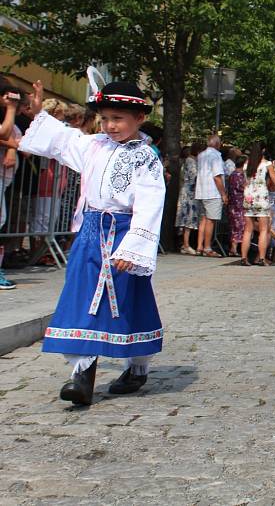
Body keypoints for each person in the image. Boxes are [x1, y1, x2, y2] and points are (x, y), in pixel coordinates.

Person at [19, 79, 165, 406]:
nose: (109, 125)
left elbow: (151, 202)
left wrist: (133, 247)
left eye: (118, 118)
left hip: (122, 233)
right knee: (83, 296)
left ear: (139, 118)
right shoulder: (95, 145)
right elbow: (61, 140)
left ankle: (137, 367)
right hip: (90, 233)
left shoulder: (145, 157)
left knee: (128, 302)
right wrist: (39, 113)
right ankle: (82, 375)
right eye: (104, 118)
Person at [241, 141, 275, 266]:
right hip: (261, 197)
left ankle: (243, 257)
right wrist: (274, 168)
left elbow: (245, 182)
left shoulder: (247, 164)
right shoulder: (267, 164)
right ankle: (262, 258)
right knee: (264, 230)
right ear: (263, 150)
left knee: (248, 230)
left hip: (248, 197)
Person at [0, 84, 23, 289]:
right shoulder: (8, 114)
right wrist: (11, 108)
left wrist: (12, 148)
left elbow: (21, 142)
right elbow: (5, 133)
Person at [195, 134, 227, 258]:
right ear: (217, 144)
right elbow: (217, 176)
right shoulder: (216, 156)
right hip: (212, 192)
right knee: (210, 220)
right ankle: (207, 247)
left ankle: (199, 246)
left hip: (201, 191)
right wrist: (223, 194)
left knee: (203, 219)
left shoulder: (201, 155)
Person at [175, 142, 203, 254]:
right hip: (189, 192)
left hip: (192, 192)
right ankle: (185, 244)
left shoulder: (193, 160)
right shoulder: (191, 161)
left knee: (190, 217)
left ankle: (186, 243)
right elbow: (194, 176)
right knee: (188, 217)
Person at [227, 155, 247, 257]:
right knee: (238, 226)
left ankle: (234, 248)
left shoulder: (234, 174)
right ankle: (234, 248)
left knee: (237, 226)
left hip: (235, 204)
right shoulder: (238, 175)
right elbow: (244, 187)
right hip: (237, 205)